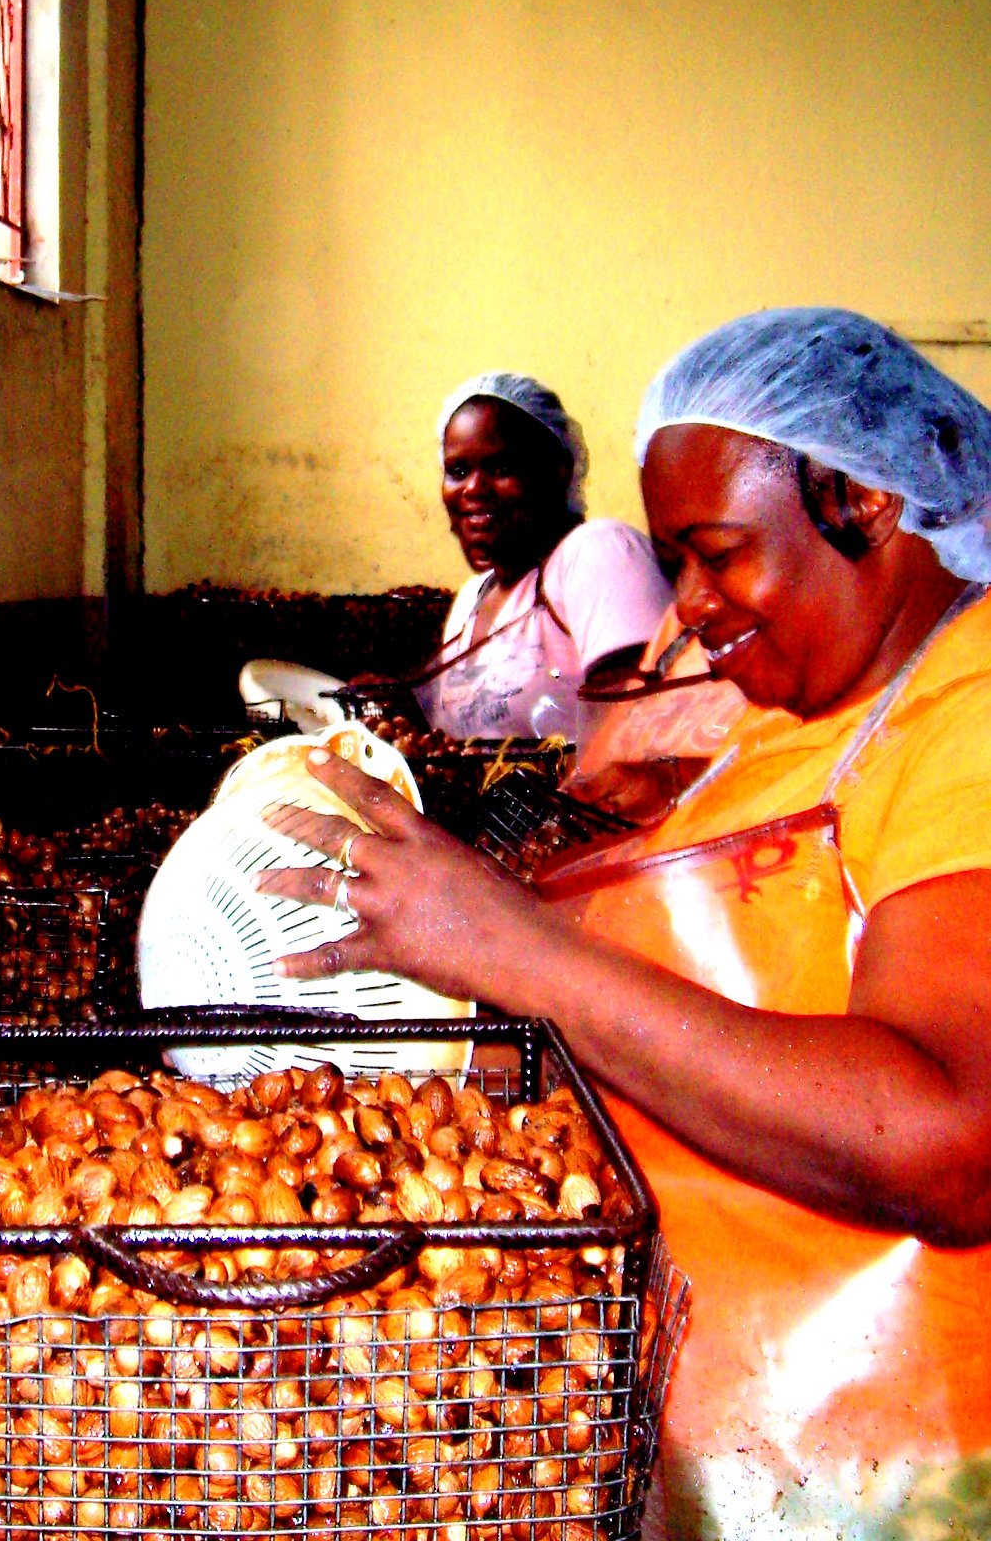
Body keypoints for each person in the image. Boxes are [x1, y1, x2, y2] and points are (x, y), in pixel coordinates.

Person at [256, 309, 991, 1541]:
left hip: (897, 1478)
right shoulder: (796, 715)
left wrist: (521, 953)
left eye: (718, 553)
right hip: (737, 1447)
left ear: (864, 503)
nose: (689, 607)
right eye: (675, 561)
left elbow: (952, 1140)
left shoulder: (970, 712)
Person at [411, 372, 672, 739]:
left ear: (559, 471)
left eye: (502, 468)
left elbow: (638, 730)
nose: (473, 489)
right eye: (458, 471)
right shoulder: (471, 599)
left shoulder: (597, 553)